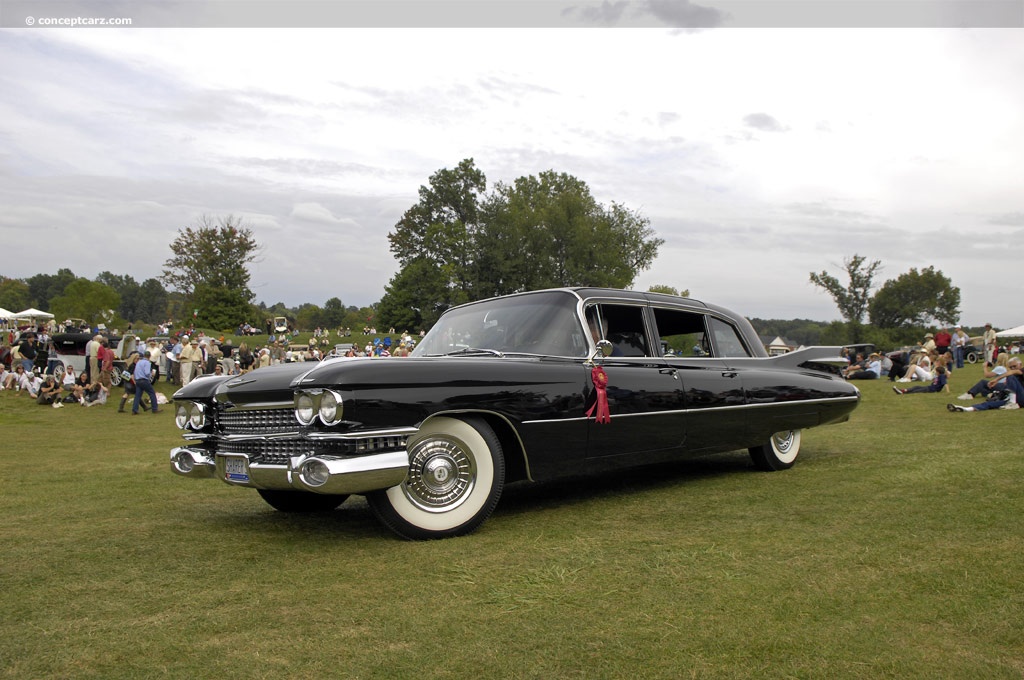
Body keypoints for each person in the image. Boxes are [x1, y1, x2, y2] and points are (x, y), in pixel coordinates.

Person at [131, 351, 161, 415]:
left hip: (138, 380)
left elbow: (135, 371)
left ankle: (135, 409)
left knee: (137, 395)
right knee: (152, 393)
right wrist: (151, 374)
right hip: (144, 380)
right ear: (149, 356)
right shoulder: (147, 363)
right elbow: (147, 372)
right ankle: (155, 408)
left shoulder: (139, 362)